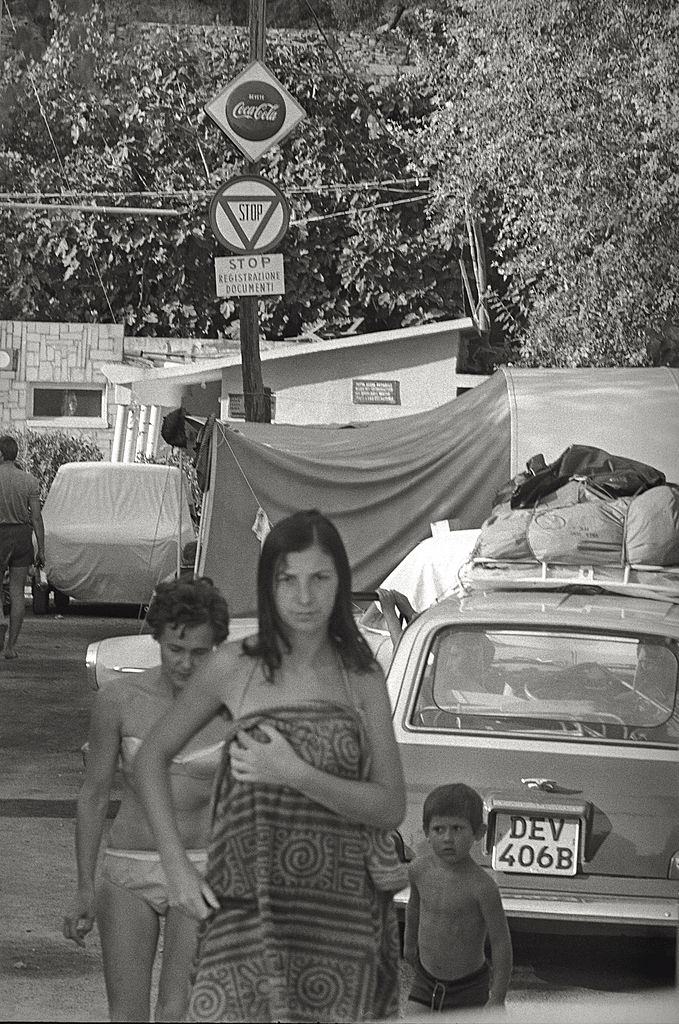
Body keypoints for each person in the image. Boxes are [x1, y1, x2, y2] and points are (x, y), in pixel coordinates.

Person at [134, 509, 407, 1023]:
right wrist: (175, 866)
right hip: (246, 914)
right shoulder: (234, 666)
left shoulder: (361, 675)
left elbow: (390, 805)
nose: (304, 598)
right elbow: (150, 759)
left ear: (340, 581)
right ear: (269, 584)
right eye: (288, 580)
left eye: (320, 578)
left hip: (342, 920)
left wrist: (294, 771)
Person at [62, 576, 230, 1023]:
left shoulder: (233, 707)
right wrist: (83, 888)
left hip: (201, 868)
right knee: (128, 1015)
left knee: (178, 1011)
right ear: (155, 639)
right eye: (176, 649)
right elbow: (94, 796)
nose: (186, 663)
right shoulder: (119, 699)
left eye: (200, 652)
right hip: (127, 867)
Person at [403, 782, 513, 1014]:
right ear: (426, 832)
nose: (447, 838)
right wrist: (409, 944)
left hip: (469, 987)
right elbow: (414, 908)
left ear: (478, 833)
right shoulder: (418, 869)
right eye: (438, 829)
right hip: (426, 979)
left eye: (457, 829)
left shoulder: (483, 887)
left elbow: (501, 941)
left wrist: (498, 997)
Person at [0, 435, 45, 658]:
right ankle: (11, 647)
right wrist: (42, 550)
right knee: (17, 592)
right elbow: (36, 518)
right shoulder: (30, 481)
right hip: (22, 536)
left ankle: (0, 623)